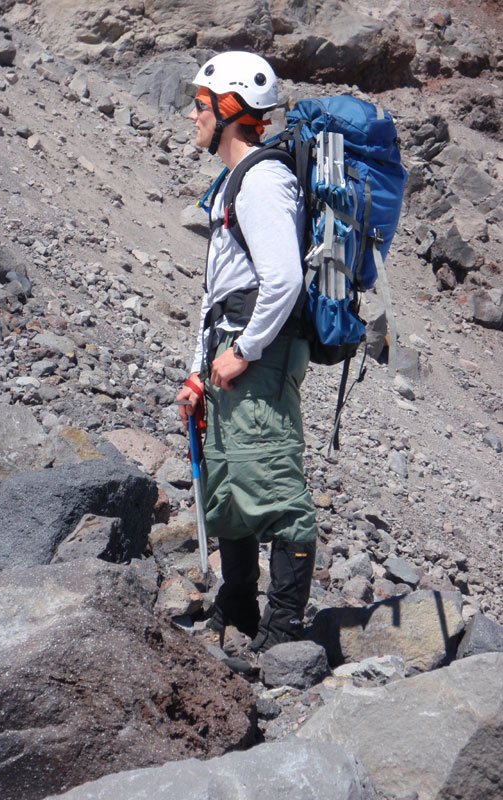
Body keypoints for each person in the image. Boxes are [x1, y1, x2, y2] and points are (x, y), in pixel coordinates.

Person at [175, 51, 317, 653]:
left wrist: (247, 349)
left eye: (201, 105)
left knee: (278, 497)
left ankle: (284, 638)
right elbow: (218, 292)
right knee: (230, 491)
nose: (191, 116)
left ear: (229, 109)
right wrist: (199, 372)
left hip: (255, 358)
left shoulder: (262, 180)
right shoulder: (232, 183)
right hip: (231, 356)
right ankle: (238, 613)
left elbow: (283, 279)